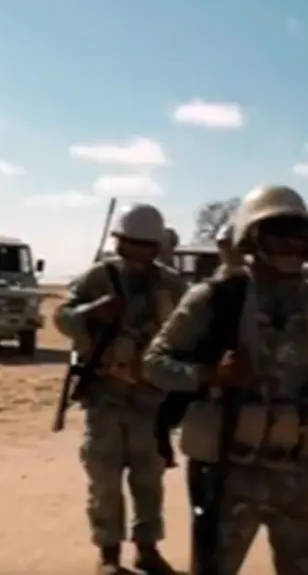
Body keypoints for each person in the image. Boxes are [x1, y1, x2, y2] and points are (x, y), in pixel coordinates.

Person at [143, 186, 308, 575]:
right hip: (230, 470)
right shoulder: (216, 297)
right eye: (277, 232)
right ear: (253, 238)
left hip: (298, 469)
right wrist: (210, 374)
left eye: (298, 233)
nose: (290, 244)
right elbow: (154, 363)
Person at [55, 203, 187, 575]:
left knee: (149, 479)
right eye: (132, 244)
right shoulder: (97, 278)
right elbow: (62, 318)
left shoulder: (173, 285)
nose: (140, 253)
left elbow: (193, 330)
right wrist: (92, 312)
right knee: (105, 479)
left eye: (147, 245)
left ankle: (147, 549)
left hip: (151, 399)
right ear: (119, 242)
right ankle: (109, 555)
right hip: (106, 394)